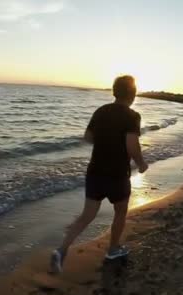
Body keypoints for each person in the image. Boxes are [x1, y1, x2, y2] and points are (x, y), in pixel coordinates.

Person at [50, 75, 148, 273]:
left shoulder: (101, 111)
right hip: (117, 174)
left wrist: (105, 141)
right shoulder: (132, 116)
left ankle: (61, 250)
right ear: (133, 94)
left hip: (95, 171)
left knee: (87, 215)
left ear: (114, 92)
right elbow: (131, 144)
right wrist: (141, 163)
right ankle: (113, 249)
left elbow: (87, 137)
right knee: (120, 211)